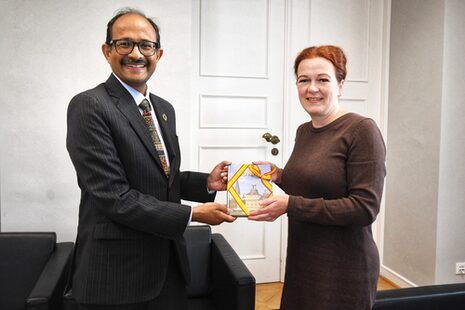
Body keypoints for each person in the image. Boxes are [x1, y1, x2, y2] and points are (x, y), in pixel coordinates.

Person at [66, 8, 235, 309]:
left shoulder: (162, 108)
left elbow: (161, 178)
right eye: (124, 43)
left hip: (169, 265)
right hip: (117, 275)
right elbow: (115, 197)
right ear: (107, 50)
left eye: (146, 45)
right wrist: (193, 215)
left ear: (158, 54)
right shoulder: (90, 106)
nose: (136, 54)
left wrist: (206, 183)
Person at [249, 45, 386, 309]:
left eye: (323, 79)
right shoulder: (304, 131)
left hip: (344, 267)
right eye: (304, 80)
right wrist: (279, 176)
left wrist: (290, 205)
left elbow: (364, 208)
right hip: (303, 259)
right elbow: (313, 184)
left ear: (341, 84)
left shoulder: (361, 130)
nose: (312, 88)